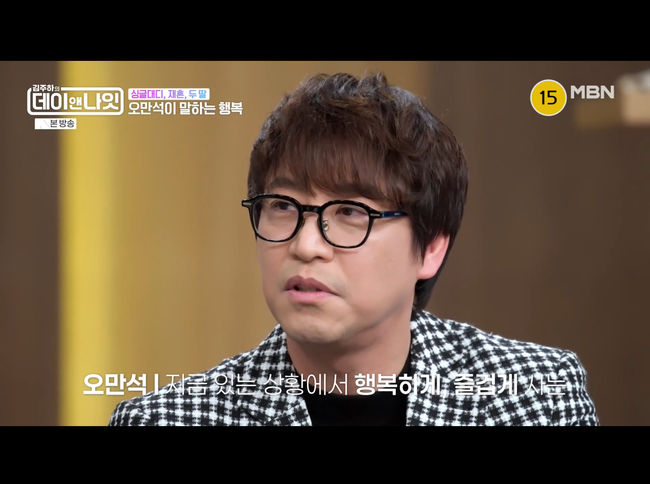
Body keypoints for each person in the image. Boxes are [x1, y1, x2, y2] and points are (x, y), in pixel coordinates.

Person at [109, 72, 598, 426]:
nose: (305, 245)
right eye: (282, 206)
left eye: (349, 212)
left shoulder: (533, 397)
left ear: (430, 248)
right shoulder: (170, 419)